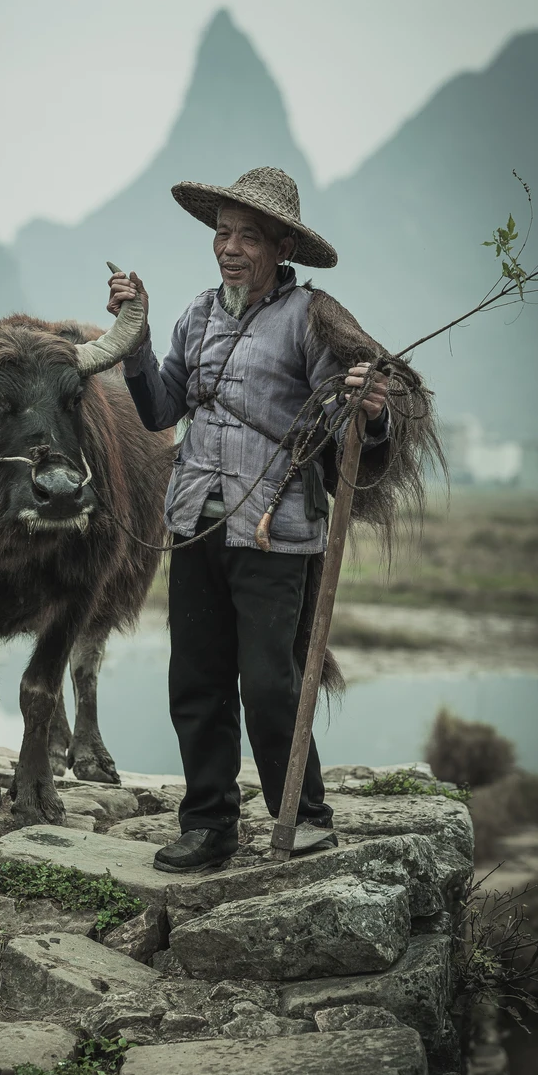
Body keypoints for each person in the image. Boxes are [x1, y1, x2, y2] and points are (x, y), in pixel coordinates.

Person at [108, 166, 390, 873]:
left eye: (249, 237)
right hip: (196, 524)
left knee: (270, 681)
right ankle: (208, 826)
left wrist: (370, 413)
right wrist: (134, 336)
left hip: (275, 529)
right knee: (196, 681)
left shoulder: (312, 320)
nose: (231, 248)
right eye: (224, 233)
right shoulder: (197, 315)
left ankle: (304, 814)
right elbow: (158, 411)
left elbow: (343, 433)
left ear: (281, 246)